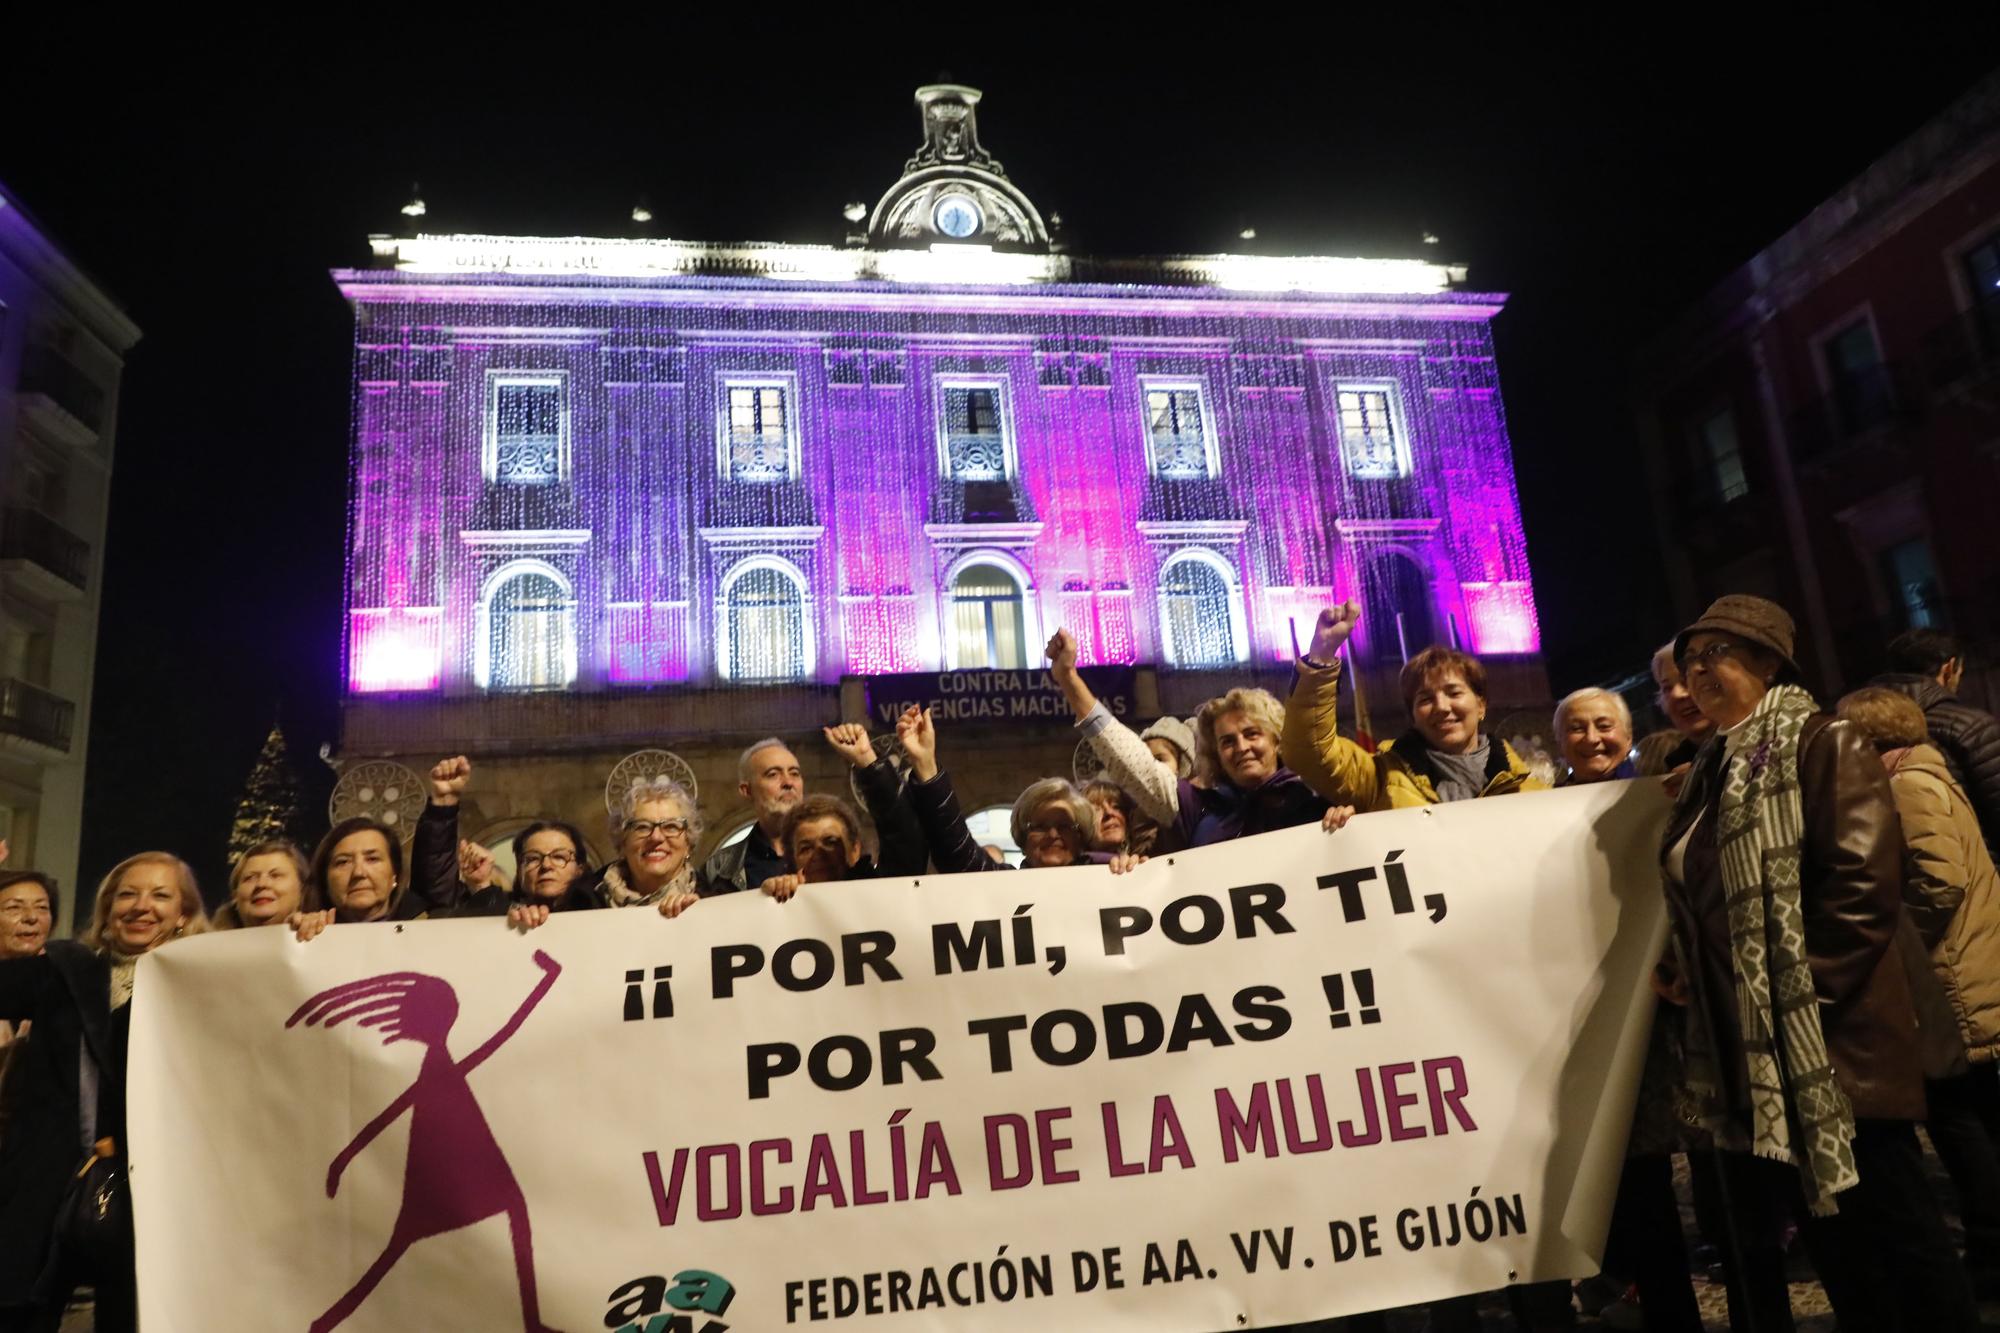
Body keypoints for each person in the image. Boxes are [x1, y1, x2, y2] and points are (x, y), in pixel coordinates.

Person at [1659, 594, 1977, 1331]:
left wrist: (1803, 999)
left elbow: (1862, 887)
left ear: (1769, 663)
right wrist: (1683, 965)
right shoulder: (1715, 765)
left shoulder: (1820, 741)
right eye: (1690, 658)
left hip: (1832, 1040)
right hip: (1761, 1047)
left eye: (1719, 653)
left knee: (1898, 1229)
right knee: (1839, 1243)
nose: (1698, 670)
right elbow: (1703, 890)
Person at [0, 853, 208, 1333]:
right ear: (107, 907)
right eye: (127, 894)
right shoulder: (64, 970)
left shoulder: (204, 986)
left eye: (160, 895)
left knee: (129, 1317)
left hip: (152, 1189)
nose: (141, 906)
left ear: (183, 913)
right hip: (47, 1183)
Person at [1838, 684, 2000, 1294]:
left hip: (1953, 972)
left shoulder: (1906, 784)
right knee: (1971, 1113)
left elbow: (1939, 880)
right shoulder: (1925, 772)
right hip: (1967, 963)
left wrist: (1895, 939)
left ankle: (1989, 1248)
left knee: (1959, 1116)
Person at [1045, 628, 1328, 846]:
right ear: (1216, 754)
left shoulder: (1315, 794)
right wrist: (1068, 678)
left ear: (1276, 739)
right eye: (1227, 742)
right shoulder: (1197, 806)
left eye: (1251, 734)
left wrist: (1349, 822)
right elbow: (1131, 763)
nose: (1241, 747)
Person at [1282, 601, 1542, 810]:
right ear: (1413, 715)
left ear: (1481, 704)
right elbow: (1310, 754)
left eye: (1454, 692)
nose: (1441, 707)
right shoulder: (1380, 779)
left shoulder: (1534, 793)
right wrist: (1321, 656)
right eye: (1425, 699)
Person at [894, 705, 1132, 874]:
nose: (1052, 835)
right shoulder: (1004, 887)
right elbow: (955, 851)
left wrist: (1138, 873)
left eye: (1064, 825)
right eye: (1039, 827)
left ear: (1081, 837)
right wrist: (925, 764)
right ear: (1022, 838)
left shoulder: (1110, 875)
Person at [1870, 627, 2000, 858]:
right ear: (1949, 668)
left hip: (1898, 876)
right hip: (1978, 870)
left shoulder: (1855, 727)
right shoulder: (1971, 726)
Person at [701, 739, 804, 895]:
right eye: (773, 774)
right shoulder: (719, 867)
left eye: (794, 773)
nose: (788, 782)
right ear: (747, 790)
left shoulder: (832, 850)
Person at [210, 840, 310, 929]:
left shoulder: (323, 937)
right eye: (250, 878)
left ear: (302, 889)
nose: (261, 884)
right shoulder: (208, 947)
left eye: (275, 875)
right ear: (235, 896)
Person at [1554, 687, 1637, 785]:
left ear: (1628, 738)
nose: (1591, 739)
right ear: (1559, 744)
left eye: (1604, 726)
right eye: (1577, 728)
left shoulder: (1655, 791)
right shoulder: (1545, 799)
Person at [1082, 779, 1158, 855]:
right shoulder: (1078, 864)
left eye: (1116, 806)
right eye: (1096, 810)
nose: (1109, 813)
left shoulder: (1151, 852)